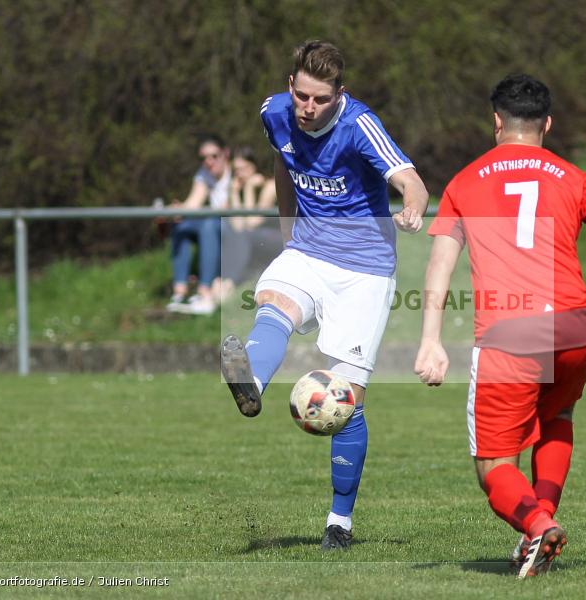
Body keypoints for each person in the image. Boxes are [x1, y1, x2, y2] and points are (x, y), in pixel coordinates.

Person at [413, 74, 586, 577]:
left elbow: (438, 267)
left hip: (509, 336)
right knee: (557, 419)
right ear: (547, 124)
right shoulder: (574, 177)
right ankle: (538, 530)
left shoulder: (464, 181)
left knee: (493, 466)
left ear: (496, 122)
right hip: (574, 331)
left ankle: (538, 527)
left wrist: (431, 341)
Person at [220, 40, 429, 550]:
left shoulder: (360, 125)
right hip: (309, 252)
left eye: (320, 99)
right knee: (272, 299)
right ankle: (253, 385)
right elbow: (282, 166)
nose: (308, 108)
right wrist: (287, 231)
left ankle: (340, 523)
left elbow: (410, 179)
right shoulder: (275, 113)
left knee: (347, 401)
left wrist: (414, 208)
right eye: (302, 96)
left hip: (365, 272)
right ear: (291, 85)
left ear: (340, 94)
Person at [166, 135, 231, 316]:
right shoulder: (204, 173)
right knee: (181, 226)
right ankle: (180, 290)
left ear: (225, 153)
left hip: (236, 228)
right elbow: (193, 205)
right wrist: (177, 211)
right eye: (204, 158)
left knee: (209, 224)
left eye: (214, 156)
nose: (209, 162)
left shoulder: (235, 173)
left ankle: (205, 290)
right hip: (216, 222)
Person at [219, 146, 282, 295]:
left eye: (244, 168)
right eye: (236, 170)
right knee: (227, 227)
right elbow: (238, 225)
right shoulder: (237, 187)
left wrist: (248, 188)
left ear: (255, 166)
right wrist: (234, 193)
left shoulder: (270, 185)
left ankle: (229, 281)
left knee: (242, 235)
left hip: (277, 238)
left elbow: (252, 222)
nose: (240, 174)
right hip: (251, 236)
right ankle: (225, 281)